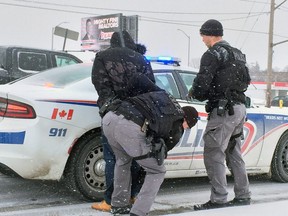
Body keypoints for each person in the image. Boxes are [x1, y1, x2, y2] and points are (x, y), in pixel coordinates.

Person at [189, 19, 251, 210]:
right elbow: (246, 81)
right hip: (239, 108)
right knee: (233, 152)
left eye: (202, 35)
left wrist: (195, 93)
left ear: (209, 34)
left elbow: (202, 84)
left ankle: (218, 199)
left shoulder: (213, 54)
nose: (202, 39)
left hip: (224, 110)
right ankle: (243, 195)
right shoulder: (238, 54)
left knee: (213, 152)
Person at [91, 30, 154, 212]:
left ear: (112, 42)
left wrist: (112, 104)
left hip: (114, 114)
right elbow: (150, 86)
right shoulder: (142, 59)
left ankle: (111, 200)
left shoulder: (103, 57)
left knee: (114, 157)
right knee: (136, 156)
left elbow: (100, 84)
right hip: (137, 114)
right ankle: (133, 195)